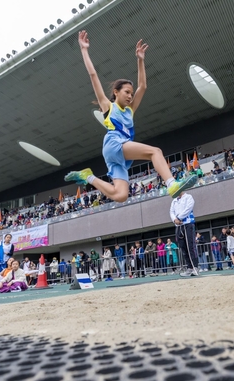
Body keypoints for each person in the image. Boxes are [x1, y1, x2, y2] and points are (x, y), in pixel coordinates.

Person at [64, 30, 197, 202]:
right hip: (114, 144)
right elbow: (93, 75)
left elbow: (143, 86)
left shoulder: (130, 110)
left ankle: (88, 177)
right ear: (116, 92)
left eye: (131, 93)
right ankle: (171, 184)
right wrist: (84, 50)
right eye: (126, 92)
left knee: (121, 196)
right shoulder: (108, 106)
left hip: (117, 156)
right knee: (155, 152)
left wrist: (140, 60)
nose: (129, 96)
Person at [170, 191, 199, 277]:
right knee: (183, 247)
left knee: (191, 246)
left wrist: (179, 217)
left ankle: (195, 267)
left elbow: (188, 208)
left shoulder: (188, 197)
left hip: (188, 223)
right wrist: (175, 219)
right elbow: (171, 211)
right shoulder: (174, 201)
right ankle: (189, 267)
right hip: (178, 226)